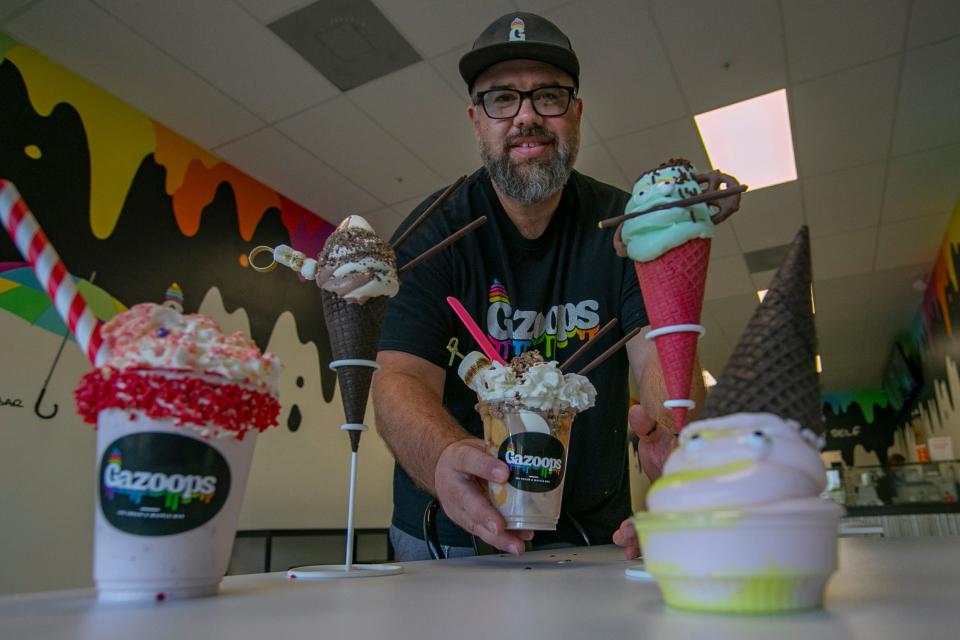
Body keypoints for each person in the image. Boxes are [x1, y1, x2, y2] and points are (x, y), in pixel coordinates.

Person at [373, 11, 702, 562]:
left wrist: (677, 432)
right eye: (502, 98)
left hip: (594, 535)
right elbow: (399, 377)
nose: (526, 116)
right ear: (476, 119)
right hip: (451, 535)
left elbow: (660, 348)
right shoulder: (432, 234)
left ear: (576, 113)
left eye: (547, 96)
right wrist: (444, 454)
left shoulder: (626, 225)